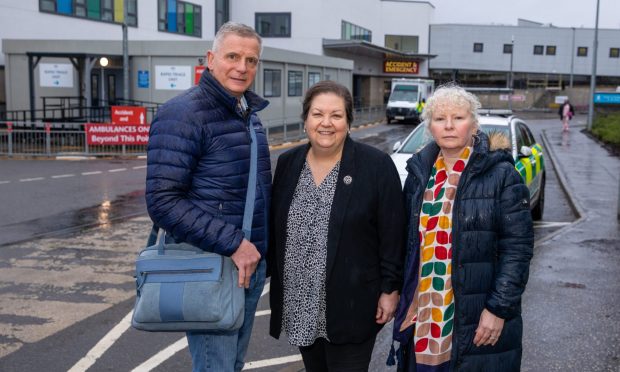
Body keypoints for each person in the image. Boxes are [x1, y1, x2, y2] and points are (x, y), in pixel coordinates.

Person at [145, 22, 270, 372]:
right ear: (211, 59)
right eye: (233, 56)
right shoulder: (182, 113)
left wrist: (260, 252)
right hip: (212, 266)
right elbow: (163, 200)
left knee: (233, 365)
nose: (242, 67)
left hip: (247, 265)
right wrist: (235, 244)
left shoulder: (248, 115)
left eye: (251, 60)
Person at [392, 83, 534, 371]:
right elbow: (408, 245)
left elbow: (517, 250)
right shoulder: (419, 175)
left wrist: (498, 309)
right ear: (429, 126)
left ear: (473, 124)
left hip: (477, 315)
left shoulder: (503, 175)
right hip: (425, 314)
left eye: (458, 118)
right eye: (439, 119)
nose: (448, 126)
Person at [268, 81, 406, 371]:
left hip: (353, 305)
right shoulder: (288, 163)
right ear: (305, 120)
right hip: (301, 300)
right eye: (317, 114)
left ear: (348, 122)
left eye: (336, 115)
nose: (326, 123)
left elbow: (394, 233)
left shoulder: (376, 166)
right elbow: (275, 227)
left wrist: (390, 288)